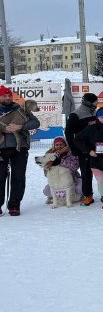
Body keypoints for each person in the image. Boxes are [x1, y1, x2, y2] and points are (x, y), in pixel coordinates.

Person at [0, 86, 41, 215]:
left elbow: (36, 123)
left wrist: (21, 126)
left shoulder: (21, 109)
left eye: (9, 96)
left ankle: (14, 205)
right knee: (0, 177)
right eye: (4, 96)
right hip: (1, 149)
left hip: (20, 148)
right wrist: (4, 129)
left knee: (18, 177)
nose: (7, 98)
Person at [65, 91, 97, 205]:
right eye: (95, 102)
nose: (96, 104)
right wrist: (73, 148)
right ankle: (88, 195)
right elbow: (68, 133)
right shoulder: (75, 114)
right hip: (83, 148)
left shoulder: (95, 113)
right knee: (86, 173)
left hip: (98, 147)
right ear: (88, 103)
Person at [40, 136, 82, 204]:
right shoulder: (49, 155)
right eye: (57, 145)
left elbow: (74, 166)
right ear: (54, 145)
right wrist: (47, 169)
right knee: (46, 191)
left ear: (65, 144)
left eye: (61, 144)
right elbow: (46, 173)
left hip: (73, 178)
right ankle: (54, 197)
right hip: (57, 180)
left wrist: (58, 159)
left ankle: (80, 196)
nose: (59, 146)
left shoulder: (71, 152)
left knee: (80, 188)